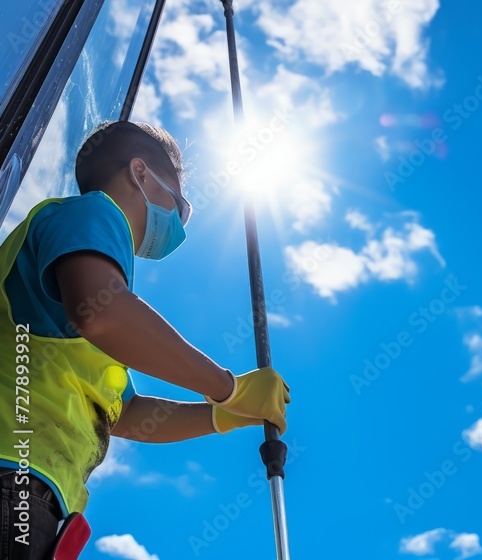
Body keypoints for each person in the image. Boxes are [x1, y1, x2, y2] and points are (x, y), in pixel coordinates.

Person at [0, 121, 291, 559]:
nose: (178, 223)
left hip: (34, 485)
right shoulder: (94, 213)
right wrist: (229, 387)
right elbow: (102, 312)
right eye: (180, 206)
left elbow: (128, 414)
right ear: (140, 174)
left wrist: (223, 414)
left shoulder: (89, 269)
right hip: (16, 473)